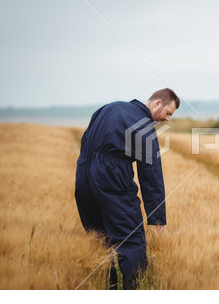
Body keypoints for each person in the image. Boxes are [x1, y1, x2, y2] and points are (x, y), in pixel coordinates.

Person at [75, 88, 179, 289]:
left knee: (100, 238)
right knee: (132, 242)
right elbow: (151, 174)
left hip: (83, 178)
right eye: (168, 113)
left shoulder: (108, 108)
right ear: (158, 103)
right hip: (113, 181)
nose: (167, 119)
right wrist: (158, 218)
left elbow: (86, 139)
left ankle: (108, 287)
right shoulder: (145, 126)